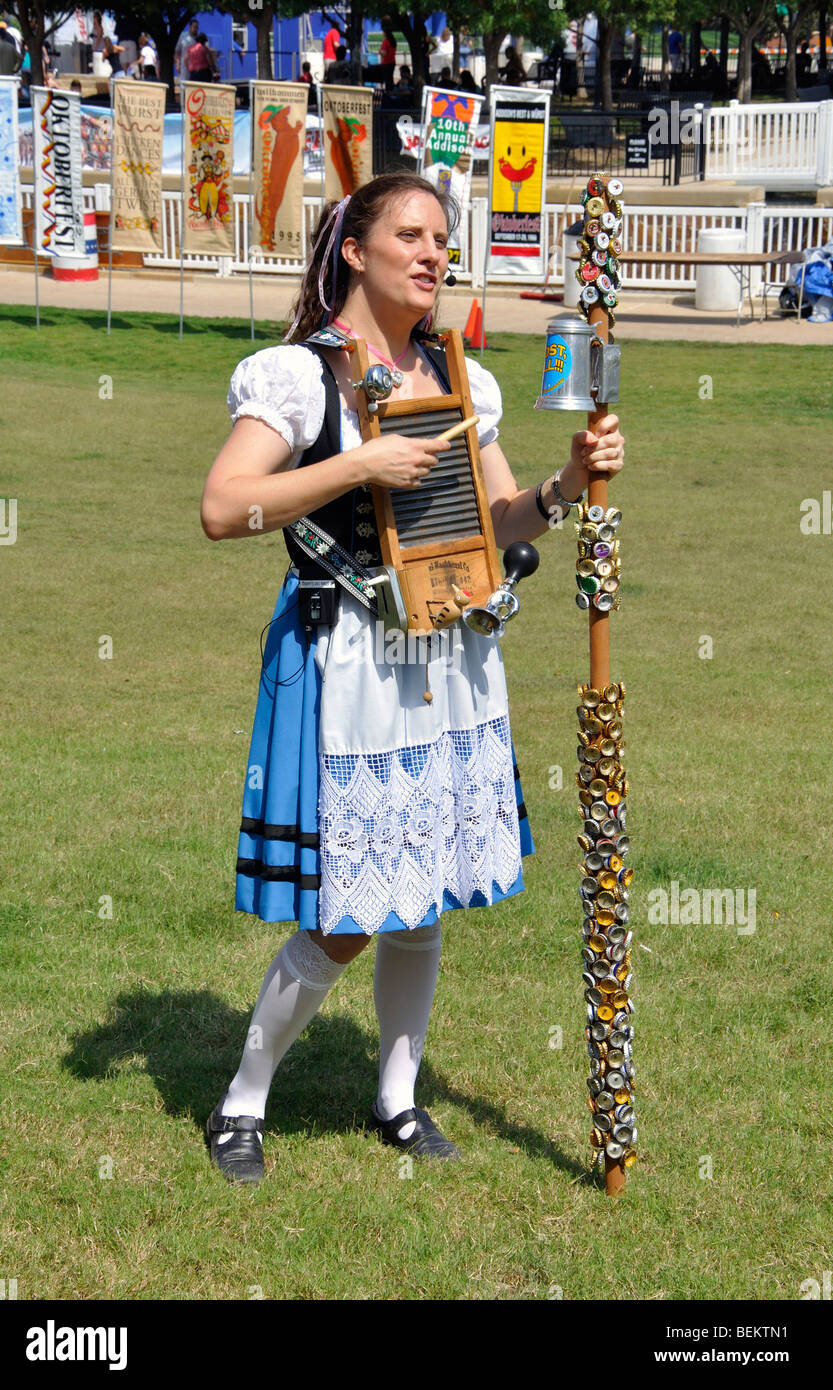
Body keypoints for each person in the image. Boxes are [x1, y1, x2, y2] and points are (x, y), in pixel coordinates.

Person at [199, 172, 625, 1183]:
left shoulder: (456, 373)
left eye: (443, 238)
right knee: (346, 914)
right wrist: (359, 464)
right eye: (410, 234)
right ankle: (241, 1102)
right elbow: (223, 506)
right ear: (354, 249)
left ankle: (396, 1099)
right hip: (346, 655)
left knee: (423, 895)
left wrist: (564, 485)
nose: (433, 253)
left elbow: (495, 519)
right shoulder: (300, 377)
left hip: (448, 654)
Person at [175, 18, 199, 84]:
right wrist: (177, 64)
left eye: (197, 27)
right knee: (184, 84)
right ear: (190, 27)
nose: (195, 29)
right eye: (194, 27)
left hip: (195, 67)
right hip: (184, 66)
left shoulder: (198, 38)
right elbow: (177, 51)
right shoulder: (183, 36)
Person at [378, 23, 397, 90]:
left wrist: (379, 51)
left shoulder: (385, 42)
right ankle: (391, 92)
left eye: (383, 32)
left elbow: (384, 53)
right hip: (392, 62)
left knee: (387, 80)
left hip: (386, 63)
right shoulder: (393, 41)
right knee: (390, 78)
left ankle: (388, 93)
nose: (382, 33)